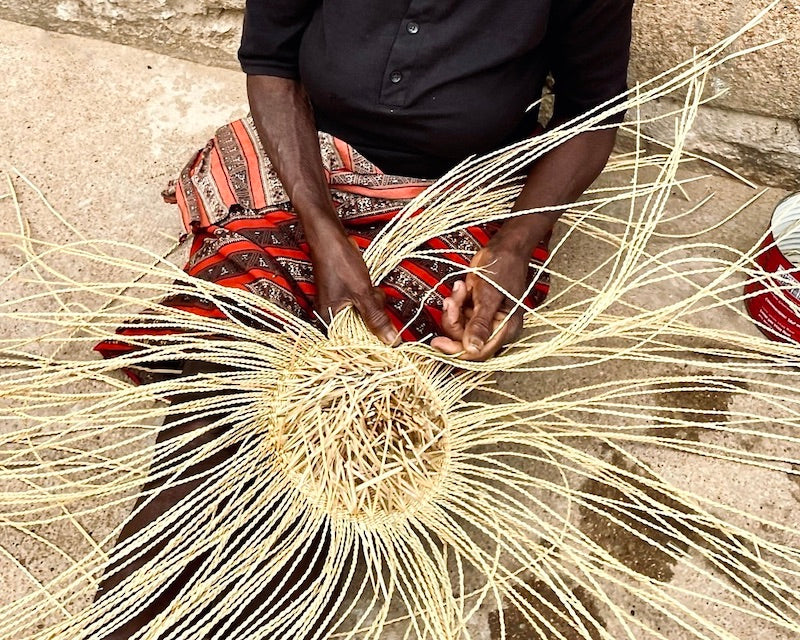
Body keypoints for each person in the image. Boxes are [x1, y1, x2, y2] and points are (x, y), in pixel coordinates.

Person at [94, 0, 634, 637]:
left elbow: (593, 115)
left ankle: (273, 570)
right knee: (235, 356)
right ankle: (140, 605)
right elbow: (271, 64)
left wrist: (514, 247)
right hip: (305, 162)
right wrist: (322, 233)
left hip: (463, 190)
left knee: (376, 401)